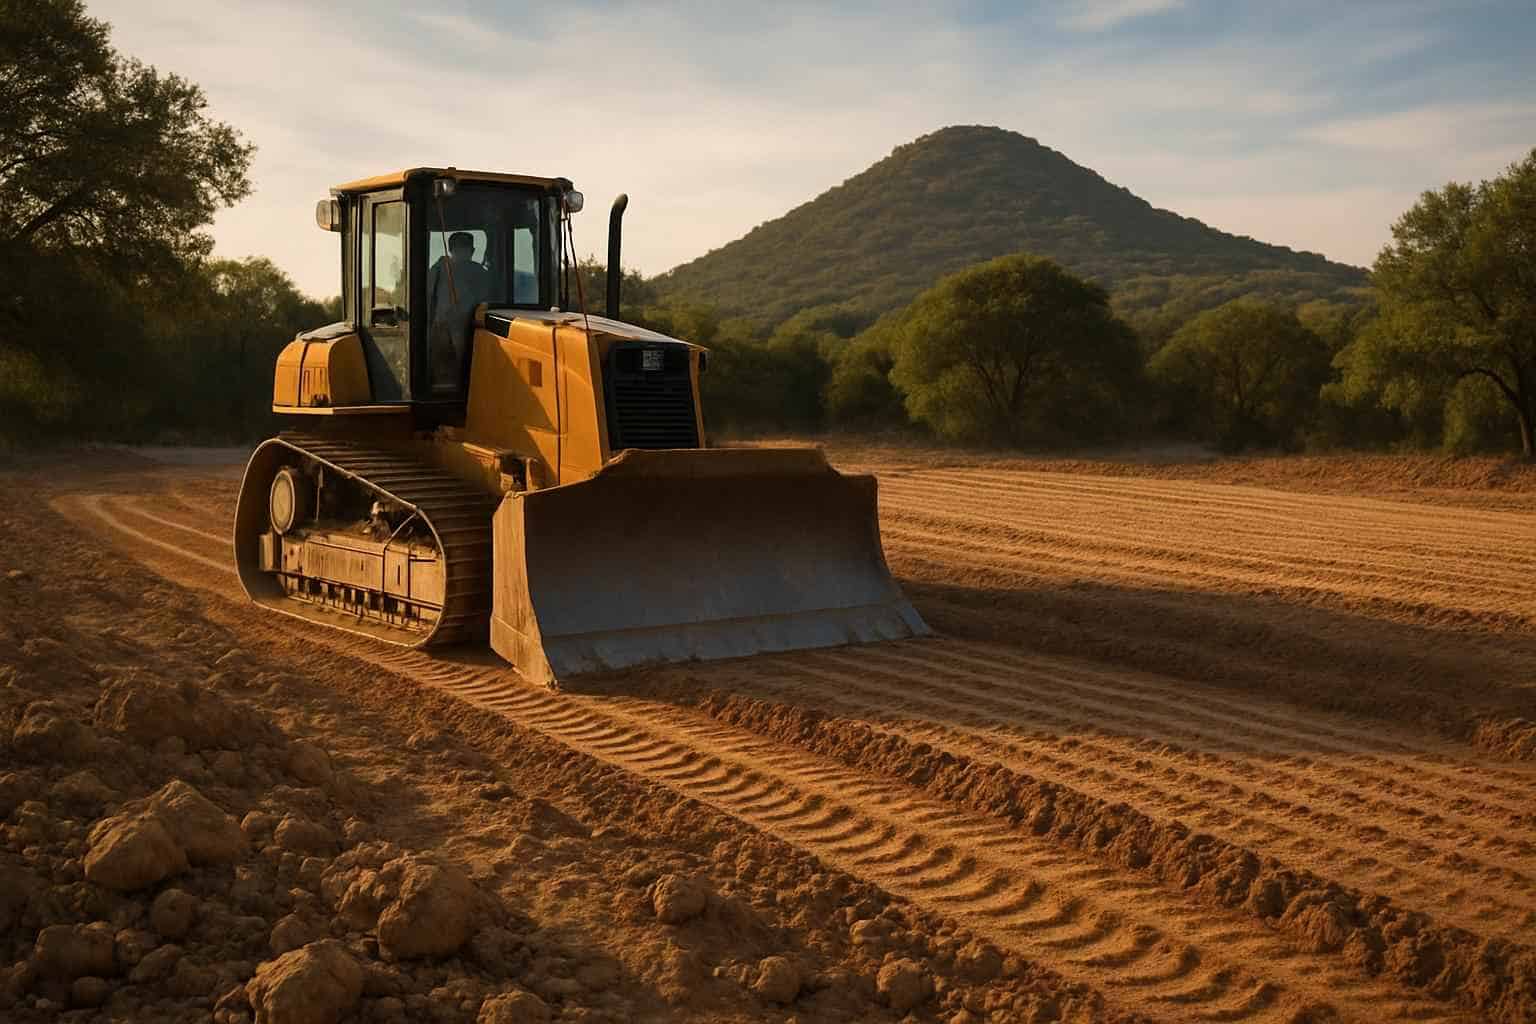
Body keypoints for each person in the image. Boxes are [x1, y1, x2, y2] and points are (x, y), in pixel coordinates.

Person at [427, 231, 490, 388]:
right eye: (460, 249)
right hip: (453, 329)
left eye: (464, 249)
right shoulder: (479, 273)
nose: (463, 253)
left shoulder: (437, 269)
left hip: (462, 328)